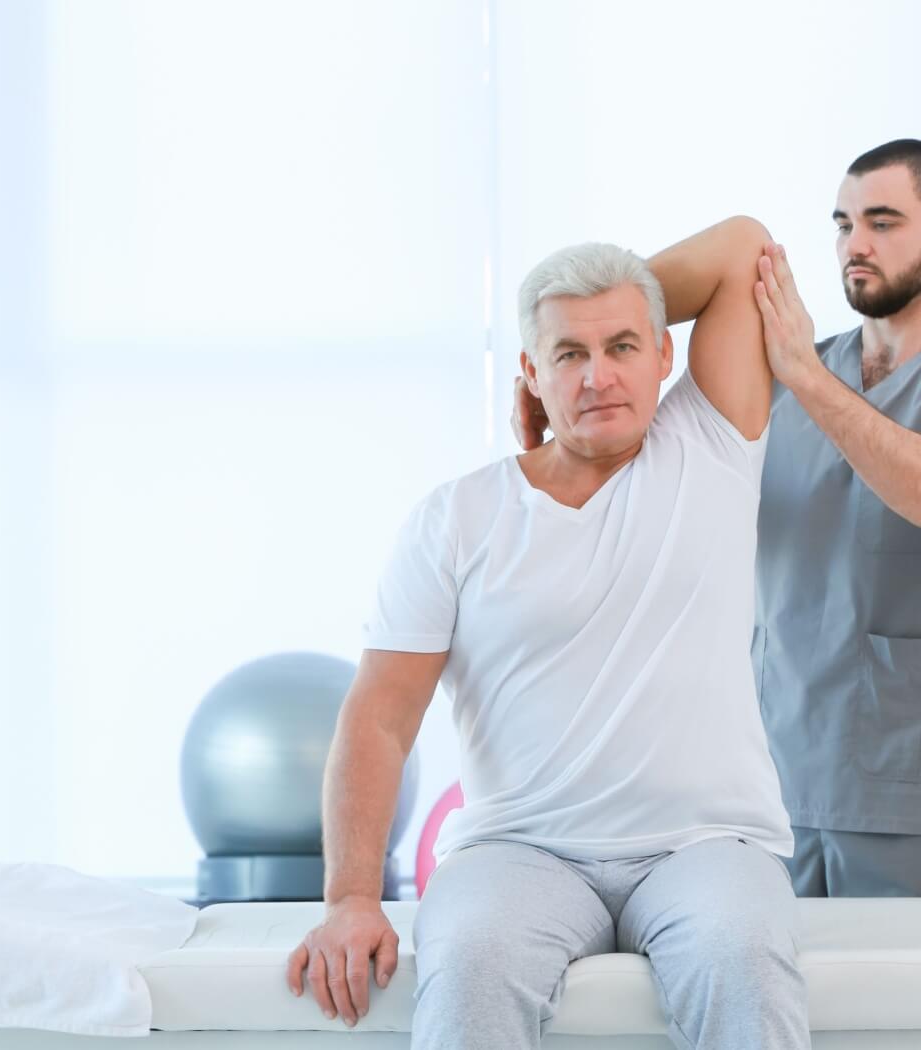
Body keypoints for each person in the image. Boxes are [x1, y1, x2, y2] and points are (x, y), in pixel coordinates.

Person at [517, 141, 921, 1050]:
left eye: (884, 222)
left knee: (916, 1023)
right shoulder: (782, 366)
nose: (857, 244)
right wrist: (571, 350)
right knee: (776, 1018)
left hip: (911, 784)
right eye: (844, 223)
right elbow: (709, 276)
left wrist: (806, 375)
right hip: (763, 779)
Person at [286, 217, 810, 1049]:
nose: (599, 375)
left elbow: (743, 244)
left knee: (742, 956)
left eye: (623, 346)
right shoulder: (455, 519)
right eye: (568, 355)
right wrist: (350, 897)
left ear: (665, 356)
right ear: (529, 373)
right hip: (517, 855)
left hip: (705, 849)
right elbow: (382, 715)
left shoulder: (712, 443)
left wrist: (605, 307)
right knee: (470, 965)